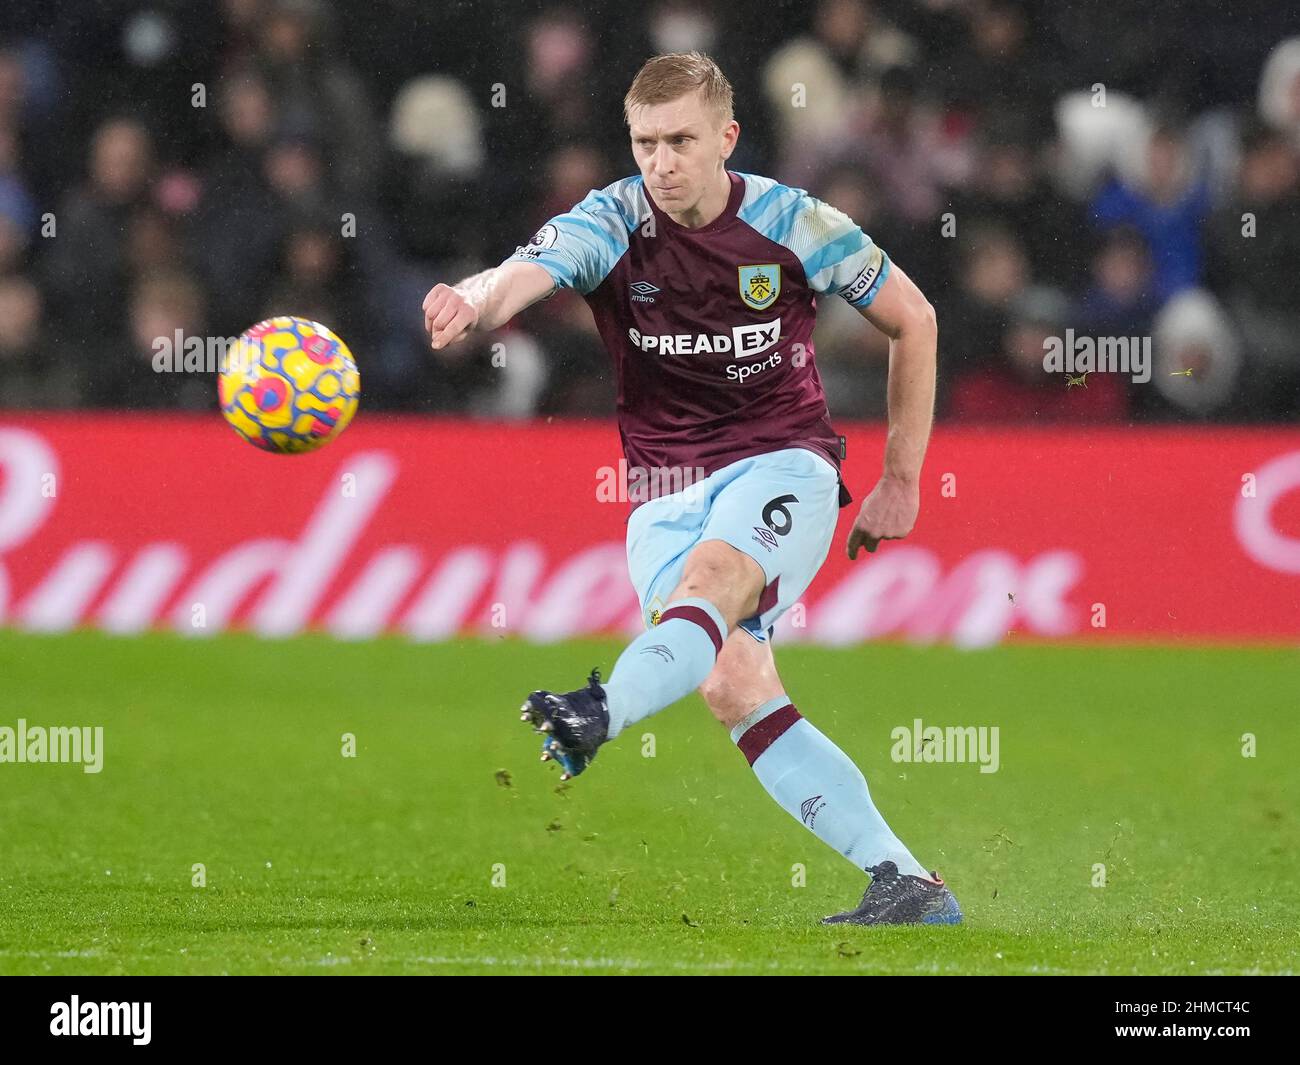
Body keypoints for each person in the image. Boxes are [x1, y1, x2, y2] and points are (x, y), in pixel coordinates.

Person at [420, 52, 958, 926]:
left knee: (711, 583)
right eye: (644, 143)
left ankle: (600, 708)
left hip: (784, 461)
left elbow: (915, 318)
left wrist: (902, 478)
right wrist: (473, 300)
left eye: (680, 141)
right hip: (665, 489)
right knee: (731, 686)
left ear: (726, 138)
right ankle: (907, 883)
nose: (660, 163)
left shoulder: (795, 221)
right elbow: (528, 272)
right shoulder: (612, 220)